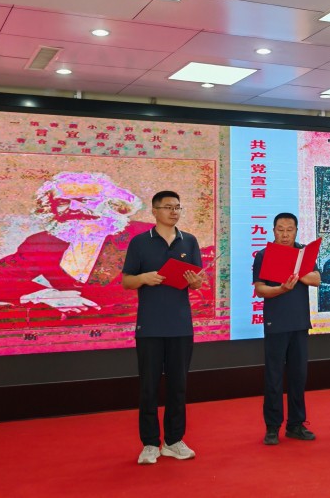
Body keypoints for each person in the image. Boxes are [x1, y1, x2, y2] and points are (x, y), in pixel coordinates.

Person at [0, 171, 149, 319]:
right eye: (63, 202)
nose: (74, 208)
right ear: (51, 208)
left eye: (85, 200)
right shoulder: (42, 243)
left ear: (112, 203)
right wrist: (46, 295)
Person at [122, 190, 205, 465]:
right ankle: (149, 444)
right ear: (154, 211)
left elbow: (197, 282)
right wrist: (143, 278)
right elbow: (126, 281)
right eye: (168, 207)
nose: (174, 211)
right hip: (150, 326)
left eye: (177, 207)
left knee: (178, 386)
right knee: (149, 387)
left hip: (181, 325)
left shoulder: (189, 241)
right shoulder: (139, 242)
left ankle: (173, 441)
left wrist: (195, 282)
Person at [252, 212, 321, 445]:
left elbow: (316, 279)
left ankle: (296, 425)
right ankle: (272, 427)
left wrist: (296, 272)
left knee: (298, 376)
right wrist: (281, 289)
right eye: (280, 229)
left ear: (296, 231)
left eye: (289, 230)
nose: (284, 234)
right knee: (273, 377)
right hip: (276, 323)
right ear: (273, 231)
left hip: (299, 323)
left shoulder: (304, 253)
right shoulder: (264, 255)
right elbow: (260, 289)